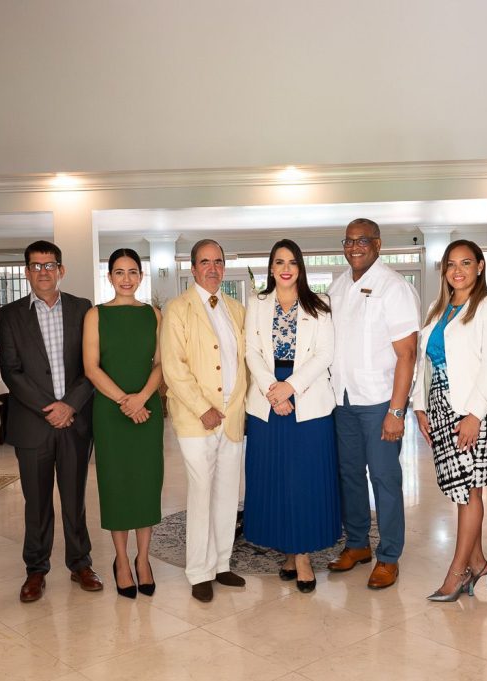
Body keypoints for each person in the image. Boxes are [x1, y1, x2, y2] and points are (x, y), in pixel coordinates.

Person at [0, 241, 101, 604]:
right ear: (27, 272)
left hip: (74, 422)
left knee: (75, 499)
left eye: (50, 265)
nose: (43, 272)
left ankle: (80, 564)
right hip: (33, 424)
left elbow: (92, 365)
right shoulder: (10, 314)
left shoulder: (82, 309)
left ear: (61, 270)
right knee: (36, 502)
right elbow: (11, 371)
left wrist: (69, 405)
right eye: (36, 266)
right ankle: (36, 570)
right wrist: (50, 408)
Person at [412, 240, 487, 602]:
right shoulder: (437, 309)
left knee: (470, 491)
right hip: (440, 405)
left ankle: (457, 572)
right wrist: (419, 406)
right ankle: (478, 562)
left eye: (466, 263)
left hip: (476, 410)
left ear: (480, 267)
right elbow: (424, 362)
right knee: (460, 490)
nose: (458, 270)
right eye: (451, 264)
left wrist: (474, 416)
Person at [326, 218, 420, 589]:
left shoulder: (393, 287)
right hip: (343, 400)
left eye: (362, 240)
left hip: (380, 401)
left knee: (384, 477)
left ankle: (389, 556)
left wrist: (397, 411)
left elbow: (407, 353)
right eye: (349, 241)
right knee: (348, 475)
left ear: (378, 244)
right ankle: (357, 544)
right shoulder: (337, 287)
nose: (354, 247)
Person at [244, 239, 341, 594]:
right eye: (279, 262)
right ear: (271, 268)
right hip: (266, 399)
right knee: (275, 479)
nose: (286, 268)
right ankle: (287, 551)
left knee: (304, 480)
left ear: (300, 268)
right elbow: (251, 351)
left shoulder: (320, 304)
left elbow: (325, 354)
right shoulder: (256, 303)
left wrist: (291, 388)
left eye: (292, 262)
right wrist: (273, 389)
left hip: (308, 399)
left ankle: (302, 556)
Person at [160, 239, 248, 602]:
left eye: (218, 262)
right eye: (205, 262)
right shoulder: (177, 309)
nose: (213, 268)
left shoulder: (236, 308)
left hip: (233, 415)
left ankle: (222, 563)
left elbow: (245, 363)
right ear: (193, 269)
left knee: (228, 492)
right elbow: (173, 367)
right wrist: (202, 407)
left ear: (224, 267)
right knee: (201, 491)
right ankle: (199, 571)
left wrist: (244, 407)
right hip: (196, 419)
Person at [83, 248, 164, 599]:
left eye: (133, 272)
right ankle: (120, 560)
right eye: (119, 272)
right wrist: (125, 402)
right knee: (116, 485)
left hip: (147, 411)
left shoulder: (154, 314)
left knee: (146, 483)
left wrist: (141, 398)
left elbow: (161, 363)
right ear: (110, 277)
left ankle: (143, 560)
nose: (126, 279)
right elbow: (91, 368)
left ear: (141, 277)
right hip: (111, 412)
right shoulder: (95, 315)